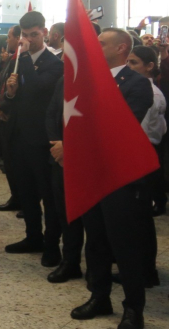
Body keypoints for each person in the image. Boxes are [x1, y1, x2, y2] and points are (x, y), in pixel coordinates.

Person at [71, 28, 155, 329]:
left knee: (124, 244)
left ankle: (134, 308)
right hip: (92, 172)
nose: (94, 45)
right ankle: (99, 295)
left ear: (121, 48)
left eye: (101, 42)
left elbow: (122, 124)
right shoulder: (88, 81)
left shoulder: (137, 84)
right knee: (95, 239)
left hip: (119, 176)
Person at [2, 11, 64, 268]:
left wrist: (25, 56)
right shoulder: (18, 61)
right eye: (25, 36)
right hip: (19, 136)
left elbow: (40, 88)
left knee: (47, 195)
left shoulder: (55, 63)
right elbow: (12, 99)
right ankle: (33, 237)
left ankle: (52, 246)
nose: (29, 40)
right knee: (26, 192)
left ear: (44, 32)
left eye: (34, 35)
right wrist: (11, 93)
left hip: (42, 139)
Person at [45, 77, 85, 284]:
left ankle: (98, 269)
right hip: (59, 158)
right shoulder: (64, 80)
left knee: (91, 219)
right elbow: (52, 113)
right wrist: (58, 145)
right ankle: (70, 261)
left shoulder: (99, 79)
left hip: (86, 160)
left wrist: (68, 148)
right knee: (66, 213)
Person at [126, 46, 167, 216]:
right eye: (127, 61)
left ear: (149, 66)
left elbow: (140, 129)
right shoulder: (137, 88)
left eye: (134, 62)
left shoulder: (148, 92)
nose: (128, 66)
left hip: (145, 147)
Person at [0, 25, 21, 213]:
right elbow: (3, 84)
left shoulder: (21, 60)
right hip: (3, 116)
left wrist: (4, 107)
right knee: (9, 164)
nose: (7, 40)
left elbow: (18, 92)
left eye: (10, 37)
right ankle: (16, 196)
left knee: (18, 165)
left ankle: (24, 200)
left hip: (14, 118)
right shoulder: (11, 59)